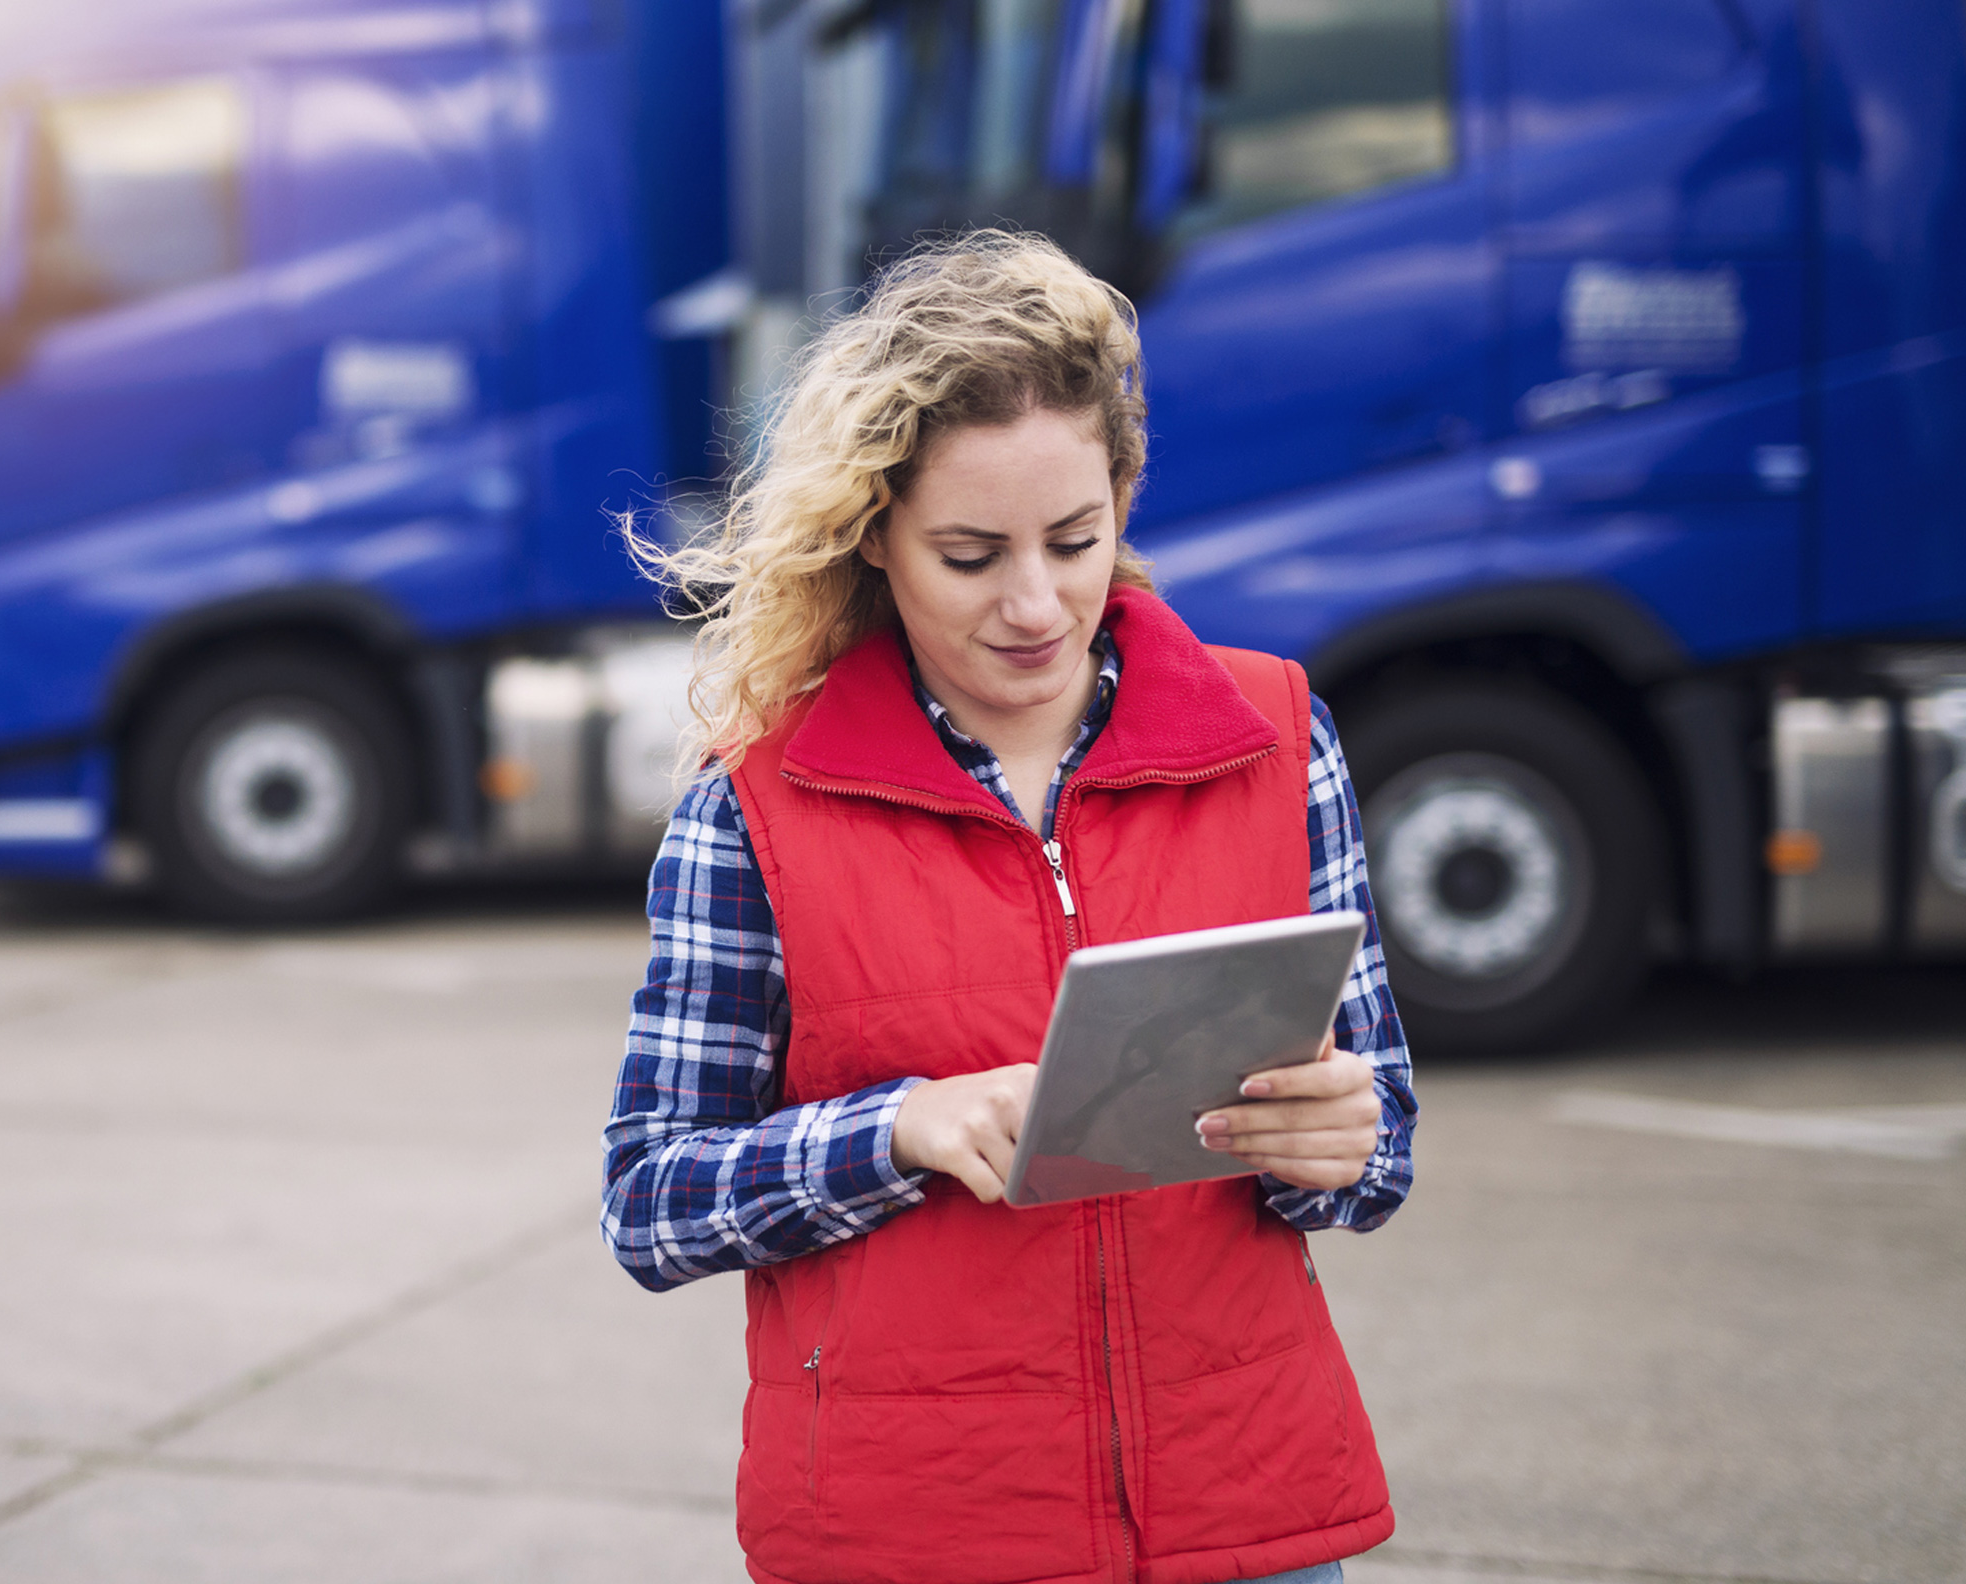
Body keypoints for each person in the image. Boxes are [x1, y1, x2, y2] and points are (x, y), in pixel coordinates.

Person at [602, 231, 1418, 1584]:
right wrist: (899, 1130)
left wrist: (1343, 1137)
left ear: (1123, 499)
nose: (1038, 604)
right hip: (922, 1535)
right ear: (876, 535)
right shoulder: (754, 809)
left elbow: (1374, 1150)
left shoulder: (1280, 739)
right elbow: (651, 1203)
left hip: (1249, 1516)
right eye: (972, 555)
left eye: (1076, 541)